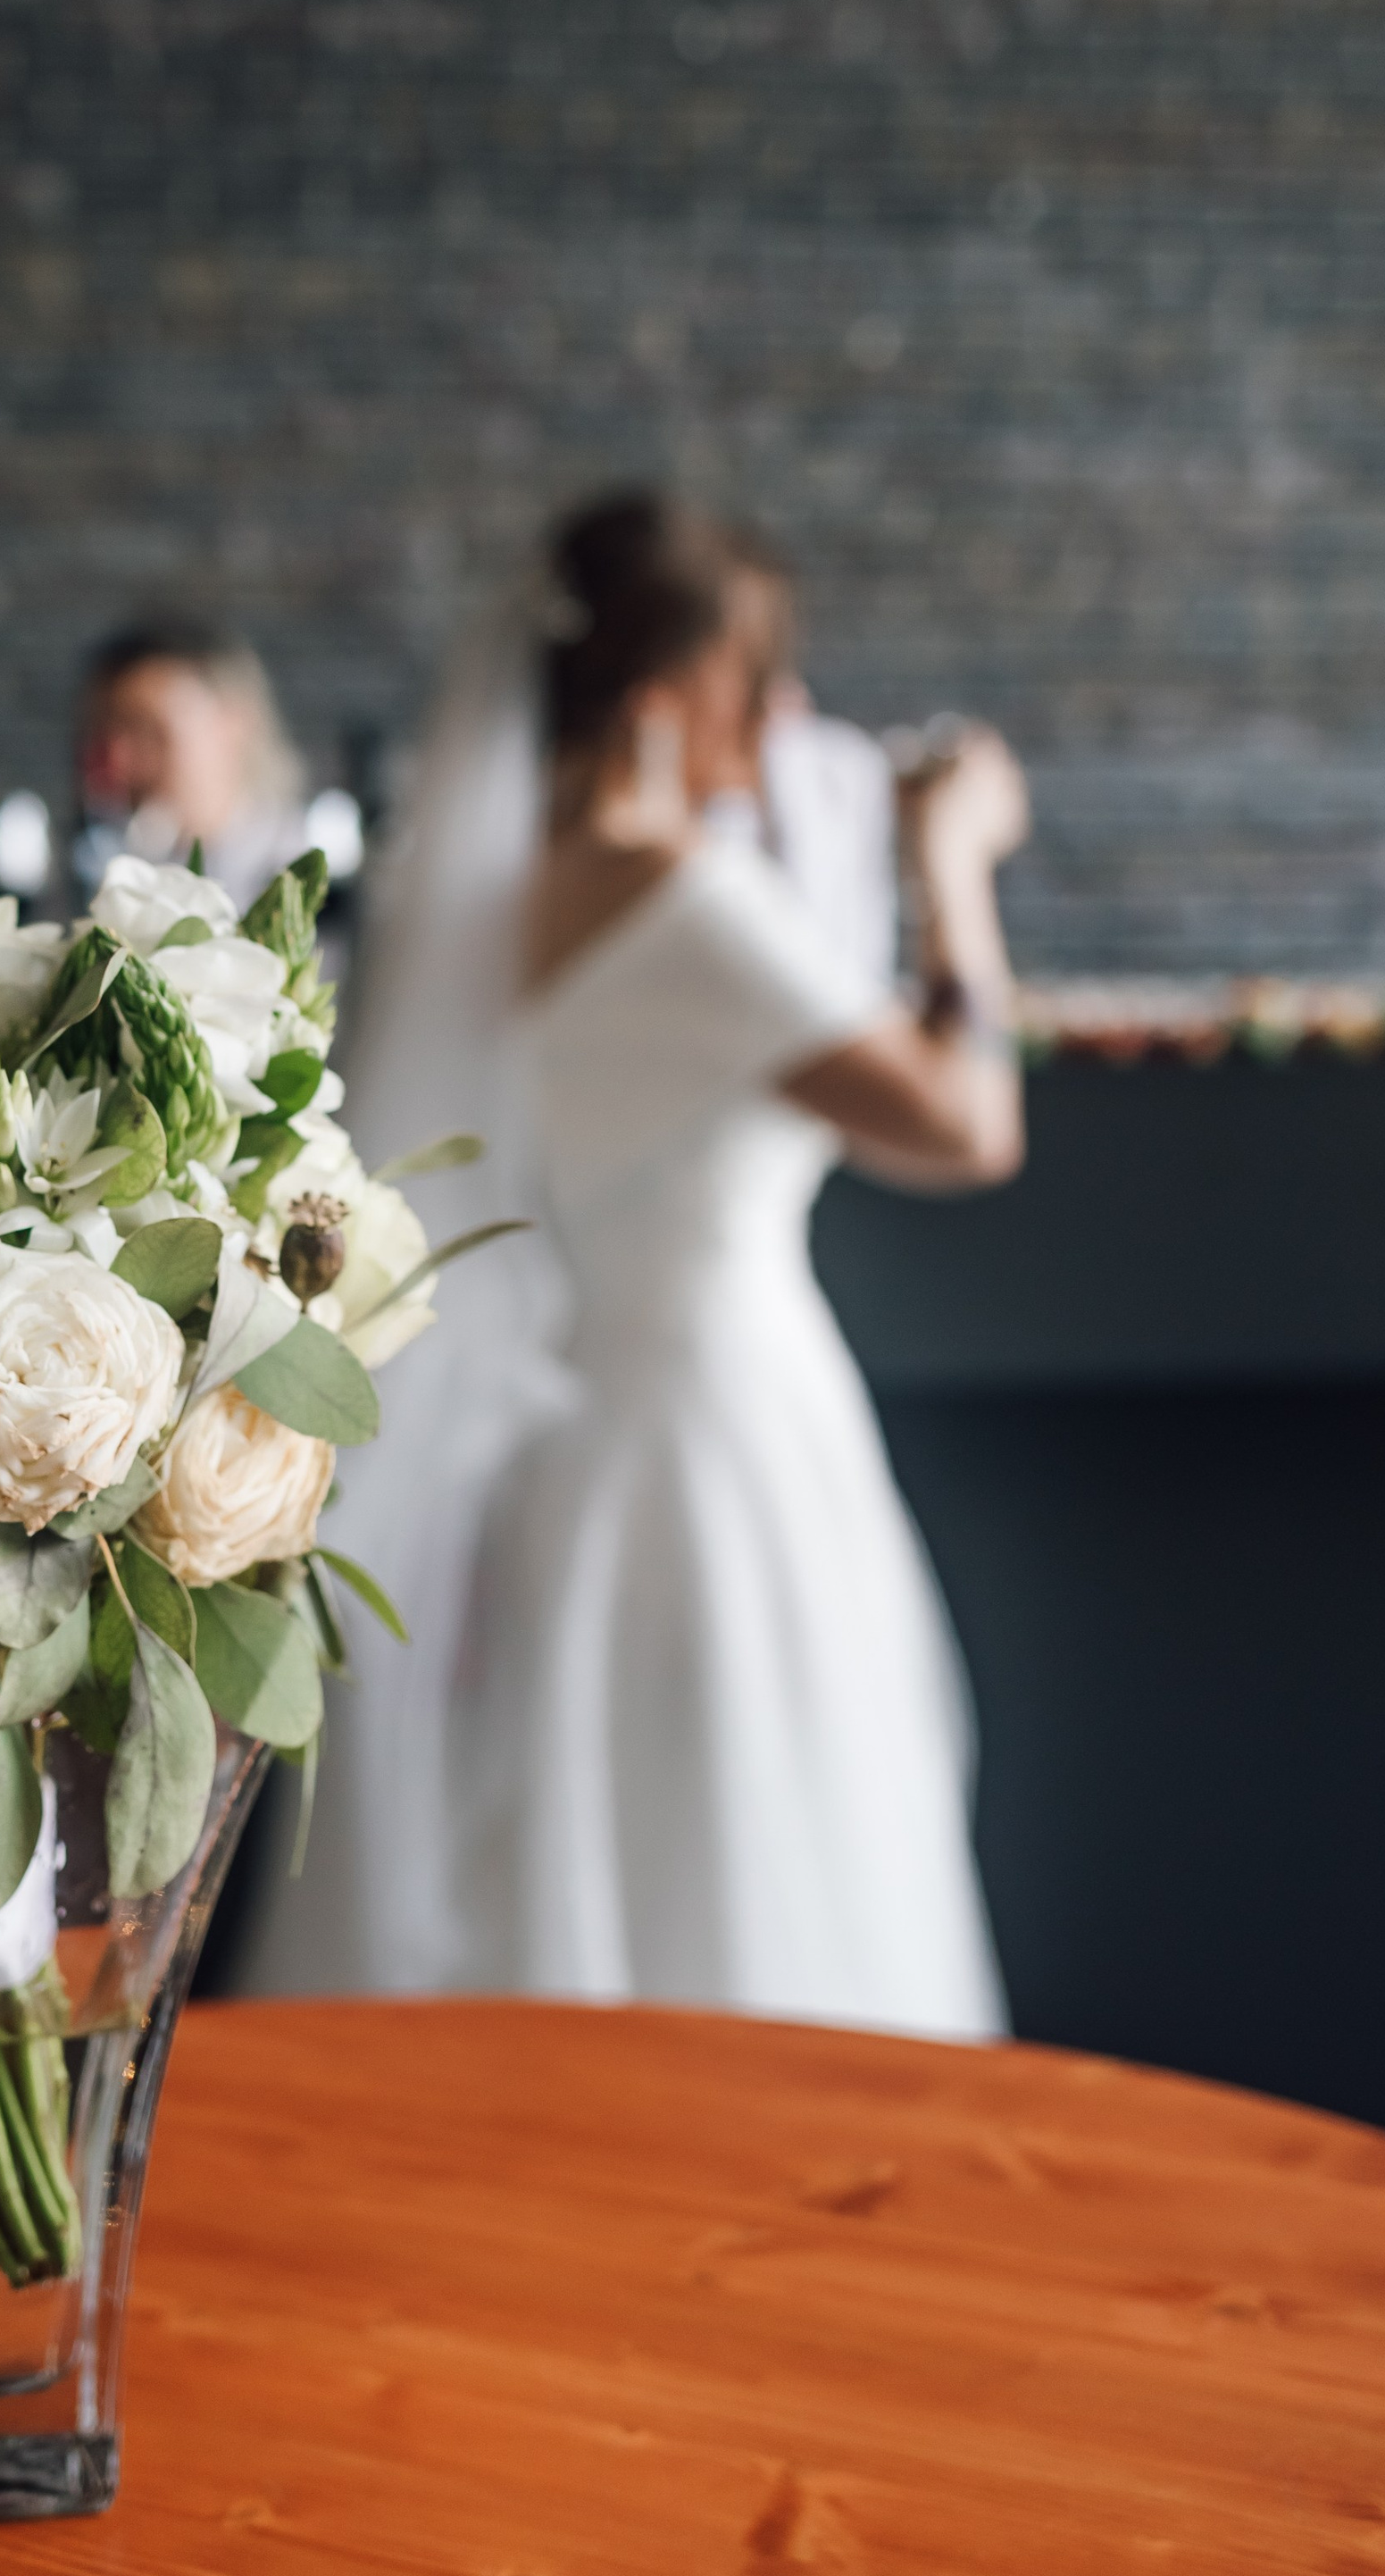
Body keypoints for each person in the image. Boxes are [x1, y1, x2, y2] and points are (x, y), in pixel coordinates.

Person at [246, 489, 1024, 2037]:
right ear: (667, 703)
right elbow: (965, 1124)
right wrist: (957, 864)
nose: (788, 717)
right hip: (723, 1454)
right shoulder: (691, 901)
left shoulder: (502, 892)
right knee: (750, 1883)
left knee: (597, 1877)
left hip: (577, 1449)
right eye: (760, 681)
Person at [72, 614, 313, 914]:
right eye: (103, 733)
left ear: (234, 722)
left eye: (147, 731)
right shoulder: (92, 873)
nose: (118, 759)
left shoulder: (315, 874)